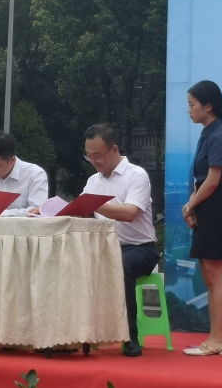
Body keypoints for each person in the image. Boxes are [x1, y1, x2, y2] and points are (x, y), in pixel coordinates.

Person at [81, 124, 160, 357]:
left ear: (114, 149)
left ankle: (129, 336)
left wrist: (93, 203)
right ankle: (78, 335)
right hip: (105, 247)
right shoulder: (93, 181)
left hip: (140, 248)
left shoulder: (136, 175)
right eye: (89, 156)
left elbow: (130, 213)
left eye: (98, 155)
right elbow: (82, 212)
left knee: (121, 266)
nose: (94, 161)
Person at [182, 80, 222, 356]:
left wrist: (190, 205)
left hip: (214, 209)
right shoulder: (208, 133)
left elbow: (213, 181)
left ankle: (219, 340)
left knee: (216, 275)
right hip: (205, 207)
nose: (189, 110)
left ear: (208, 106)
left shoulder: (220, 135)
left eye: (192, 105)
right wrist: (192, 207)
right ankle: (215, 339)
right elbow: (201, 179)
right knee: (209, 275)